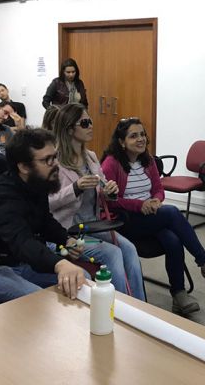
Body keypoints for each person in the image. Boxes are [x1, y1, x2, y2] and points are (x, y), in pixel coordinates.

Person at [101, 118, 205, 315]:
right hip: (125, 221)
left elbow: (159, 189)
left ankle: (179, 294)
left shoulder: (148, 161)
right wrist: (140, 204)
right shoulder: (111, 164)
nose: (141, 139)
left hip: (150, 216)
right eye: (134, 136)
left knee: (173, 239)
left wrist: (156, 201)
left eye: (142, 134)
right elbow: (109, 201)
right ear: (121, 142)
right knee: (173, 212)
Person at [0, 128, 88, 309]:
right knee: (38, 302)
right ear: (24, 167)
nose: (55, 164)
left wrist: (66, 239)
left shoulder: (36, 181)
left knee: (82, 281)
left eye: (55, 156)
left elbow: (45, 220)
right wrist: (59, 264)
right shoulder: (1, 197)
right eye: (46, 160)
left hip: (16, 262)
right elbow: (22, 242)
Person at [48, 104, 145, 300]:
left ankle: (140, 306)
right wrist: (75, 187)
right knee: (113, 254)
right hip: (68, 231)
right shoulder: (53, 162)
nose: (91, 126)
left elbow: (102, 191)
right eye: (85, 123)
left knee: (129, 248)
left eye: (90, 121)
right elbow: (46, 203)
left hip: (93, 226)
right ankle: (121, 310)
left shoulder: (90, 157)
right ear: (69, 129)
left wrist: (110, 192)